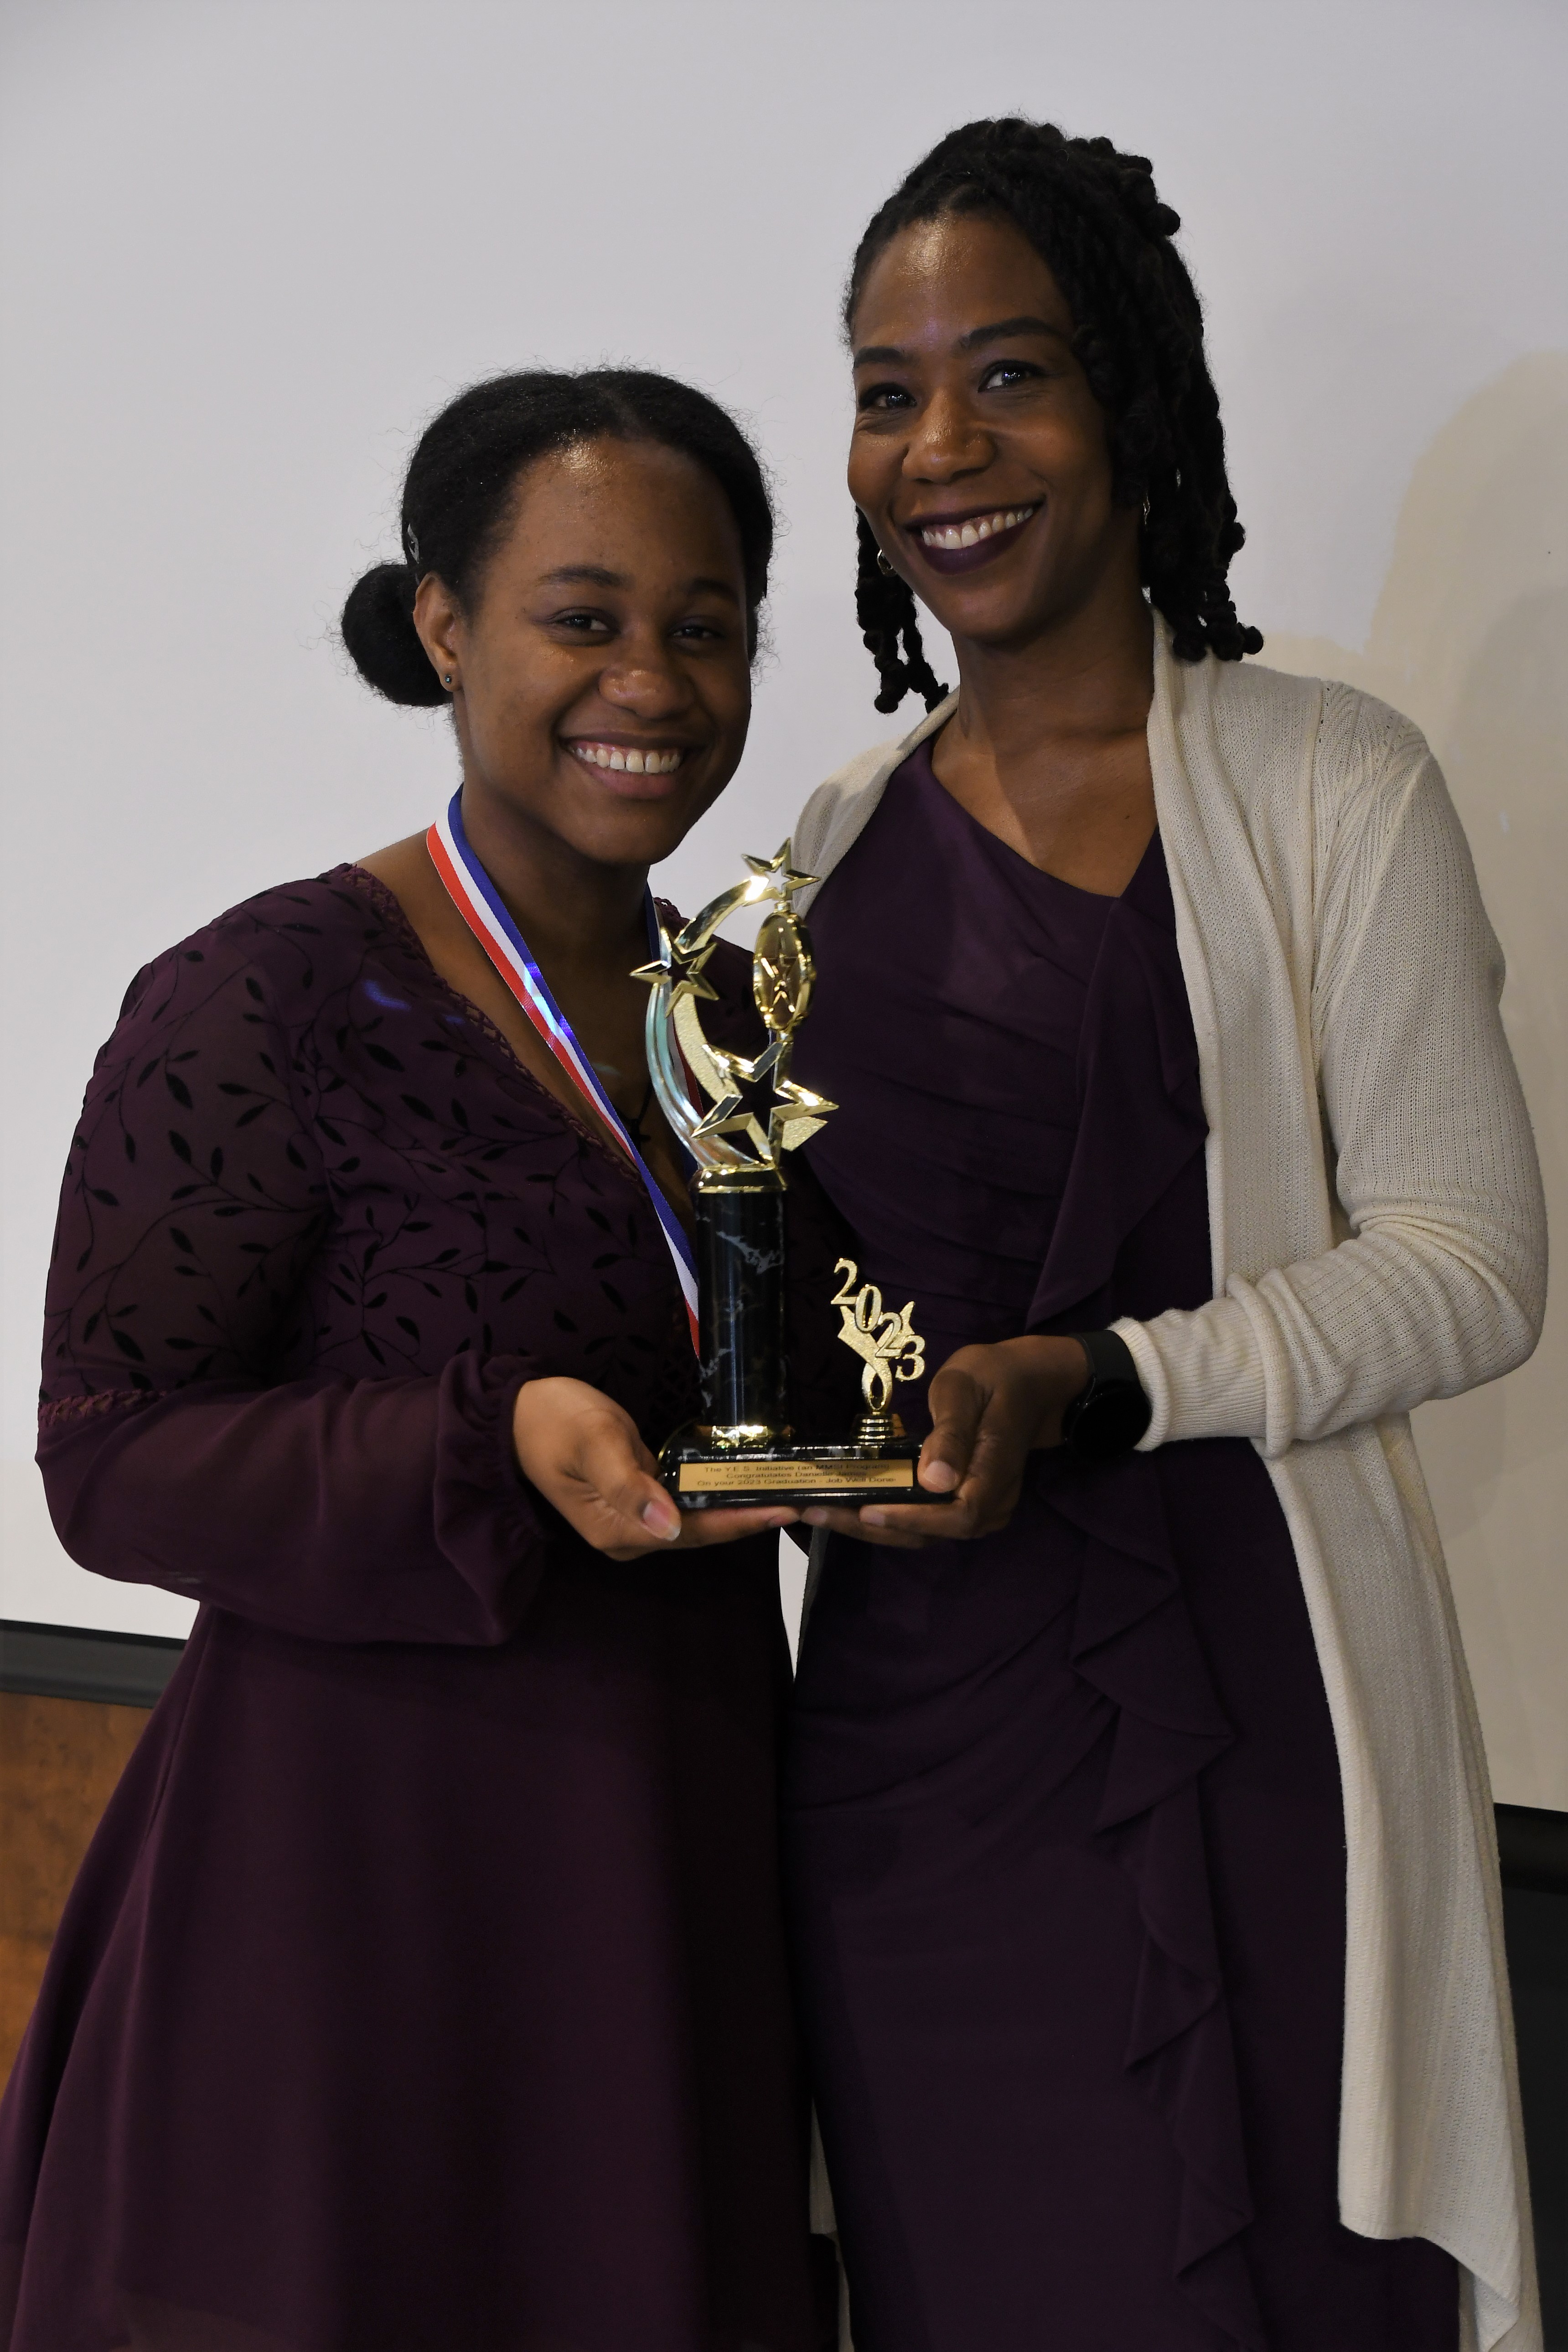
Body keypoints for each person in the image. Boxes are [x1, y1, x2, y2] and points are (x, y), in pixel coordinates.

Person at [779, 121, 1546, 2352]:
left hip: (1253, 1710)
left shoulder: (1330, 785)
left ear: (1129, 397)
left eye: (1006, 374)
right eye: (884, 387)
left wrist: (1106, 1382)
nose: (941, 447)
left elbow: (1469, 1258)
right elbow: (816, 1288)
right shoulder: (823, 854)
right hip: (918, 1757)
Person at [0, 369, 831, 2352]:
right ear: (444, 624)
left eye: (700, 627)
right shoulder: (266, 991)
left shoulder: (732, 1010)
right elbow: (108, 1460)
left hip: (663, 1880)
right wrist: (482, 1439)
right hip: (344, 1905)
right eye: (582, 615)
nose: (649, 677)